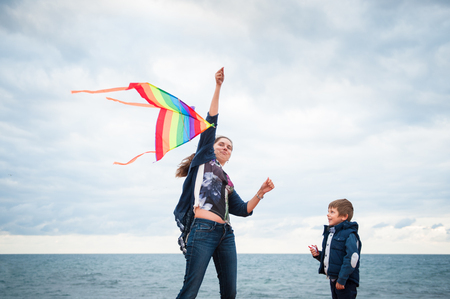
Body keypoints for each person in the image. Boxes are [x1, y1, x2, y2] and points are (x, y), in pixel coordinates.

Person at [174, 67, 275, 299]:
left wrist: (261, 192)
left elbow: (242, 209)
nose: (225, 148)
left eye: (229, 147)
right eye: (222, 144)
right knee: (190, 290)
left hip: (226, 234)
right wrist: (218, 86)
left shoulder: (227, 179)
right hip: (203, 231)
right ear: (212, 147)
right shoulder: (204, 159)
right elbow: (211, 122)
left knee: (230, 293)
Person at [309, 199, 362, 299]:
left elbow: (352, 258)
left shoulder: (350, 234)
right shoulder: (330, 234)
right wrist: (318, 255)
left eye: (332, 212)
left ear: (344, 216)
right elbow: (333, 258)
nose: (328, 215)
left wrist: (342, 279)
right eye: (328, 211)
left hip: (346, 281)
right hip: (334, 279)